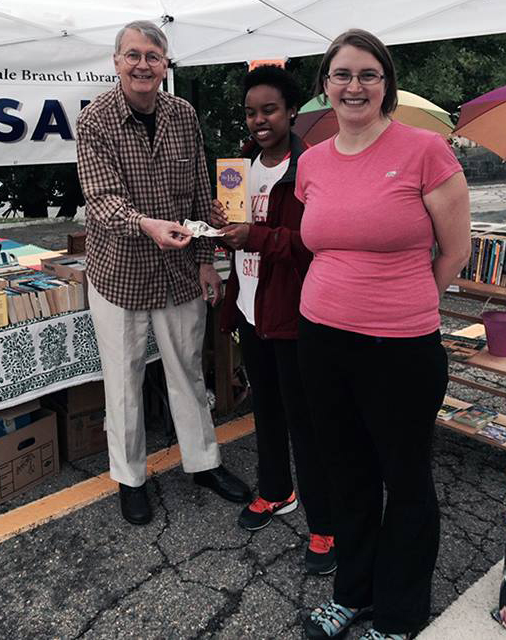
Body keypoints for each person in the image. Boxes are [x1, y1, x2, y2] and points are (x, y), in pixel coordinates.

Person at [296, 29, 471, 639]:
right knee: (348, 474)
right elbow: (321, 240)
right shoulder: (311, 163)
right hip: (321, 339)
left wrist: (406, 301)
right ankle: (354, 591)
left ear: (386, 85)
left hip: (399, 347)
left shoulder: (425, 150)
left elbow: (454, 251)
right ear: (325, 86)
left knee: (406, 479)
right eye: (342, 74)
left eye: (369, 74)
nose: (354, 86)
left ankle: (397, 616)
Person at [76, 20, 250, 526]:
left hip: (178, 272)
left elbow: (198, 185)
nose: (143, 64)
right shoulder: (96, 122)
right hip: (120, 275)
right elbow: (102, 200)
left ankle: (203, 463)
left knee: (187, 374)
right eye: (133, 55)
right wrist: (145, 224)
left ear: (165, 63)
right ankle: (130, 478)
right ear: (116, 62)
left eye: (153, 55)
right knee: (124, 383)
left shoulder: (183, 114)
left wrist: (206, 257)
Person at [211, 65, 335, 575]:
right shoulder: (239, 167)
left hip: (294, 315)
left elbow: (313, 244)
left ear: (289, 113)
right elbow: (236, 235)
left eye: (269, 110)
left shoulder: (309, 168)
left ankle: (326, 524)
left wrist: (254, 236)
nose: (259, 120)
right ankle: (276, 492)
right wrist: (221, 228)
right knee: (266, 410)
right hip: (250, 309)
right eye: (250, 112)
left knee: (307, 422)